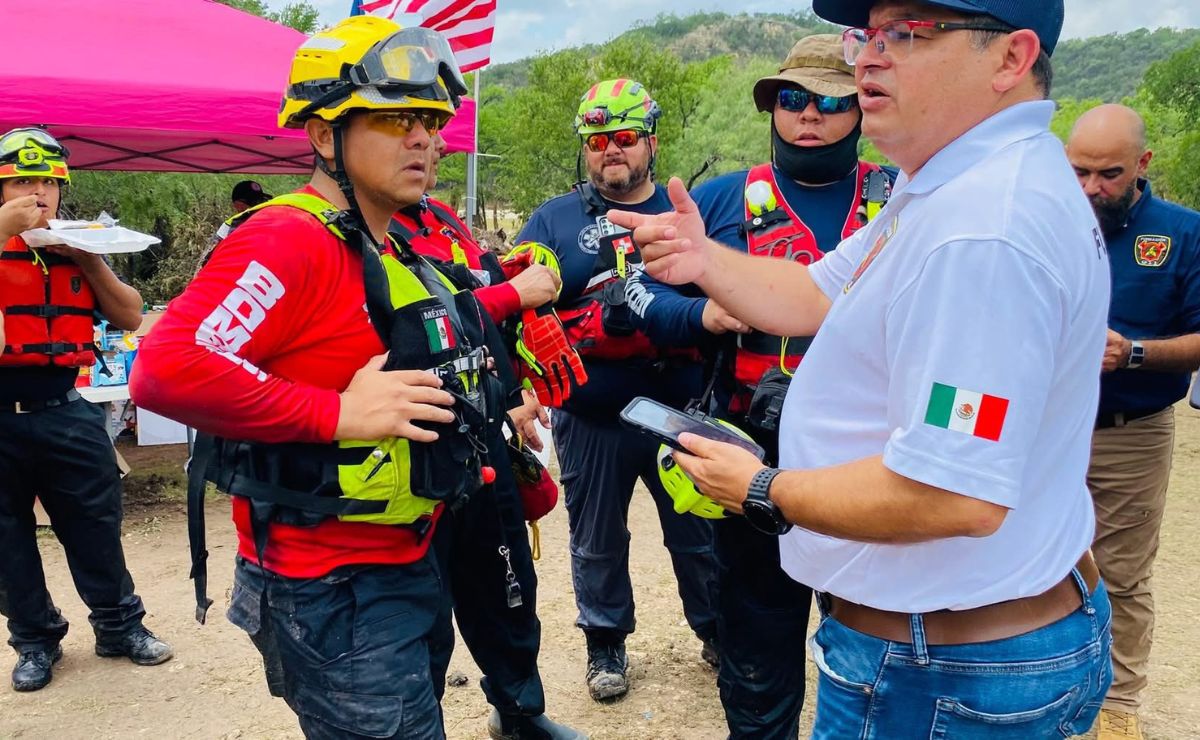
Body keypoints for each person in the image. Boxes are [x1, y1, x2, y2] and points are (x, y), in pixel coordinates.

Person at [609, 1, 1114, 736]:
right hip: (960, 640)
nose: (869, 58)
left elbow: (951, 495)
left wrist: (760, 487)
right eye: (867, 35)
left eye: (906, 34)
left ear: (1010, 59)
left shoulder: (982, 230)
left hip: (945, 669)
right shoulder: (947, 188)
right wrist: (704, 259)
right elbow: (815, 290)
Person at [131, 17, 494, 738]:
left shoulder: (384, 243)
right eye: (395, 117)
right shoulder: (289, 236)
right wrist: (337, 415)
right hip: (332, 587)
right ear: (326, 136)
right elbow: (165, 370)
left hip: (405, 560)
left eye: (430, 118)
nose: (424, 137)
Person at [626, 34, 891, 739]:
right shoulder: (715, 201)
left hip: (867, 456)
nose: (810, 115)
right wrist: (701, 313)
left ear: (861, 106)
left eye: (830, 101)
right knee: (757, 640)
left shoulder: (902, 201)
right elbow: (636, 295)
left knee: (867, 640)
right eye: (792, 98)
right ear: (772, 107)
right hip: (752, 447)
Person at [516, 79, 719, 702]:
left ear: (650, 143)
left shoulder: (688, 212)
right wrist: (526, 393)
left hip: (678, 410)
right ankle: (605, 643)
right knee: (596, 537)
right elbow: (520, 311)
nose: (611, 151)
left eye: (625, 138)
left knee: (699, 532)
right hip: (591, 411)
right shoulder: (553, 218)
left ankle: (717, 631)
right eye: (597, 140)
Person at [393, 133, 584, 740]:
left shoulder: (442, 219)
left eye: (435, 140)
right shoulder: (352, 234)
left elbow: (479, 304)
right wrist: (510, 294)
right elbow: (420, 322)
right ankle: (425, 726)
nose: (428, 152)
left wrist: (519, 388)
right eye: (405, 134)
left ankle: (519, 711)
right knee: (422, 611)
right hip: (411, 454)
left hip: (484, 439)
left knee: (508, 587)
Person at [0, 127, 172, 693]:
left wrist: (88, 258)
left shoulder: (75, 243)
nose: (39, 192)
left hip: (66, 408)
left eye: (48, 181)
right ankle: (33, 639)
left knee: (95, 526)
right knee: (6, 541)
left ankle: (121, 627)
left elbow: (128, 315)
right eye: (23, 179)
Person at [1066, 103, 1200, 740]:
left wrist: (1134, 352)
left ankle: (1117, 707)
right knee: (1034, 557)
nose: (1092, 188)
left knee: (1120, 569)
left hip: (1131, 430)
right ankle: (1048, 688)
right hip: (1043, 427)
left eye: (1109, 174)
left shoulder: (1182, 233)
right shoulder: (1049, 224)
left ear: (1143, 165)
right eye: (1079, 172)